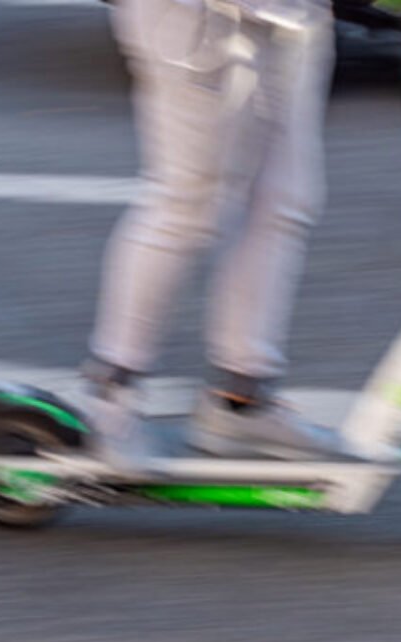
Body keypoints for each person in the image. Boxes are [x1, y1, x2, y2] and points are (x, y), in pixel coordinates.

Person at [79, 0, 348, 469]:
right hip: (196, 17)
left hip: (292, 17)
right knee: (189, 203)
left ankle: (240, 401)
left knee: (284, 200)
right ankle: (109, 401)